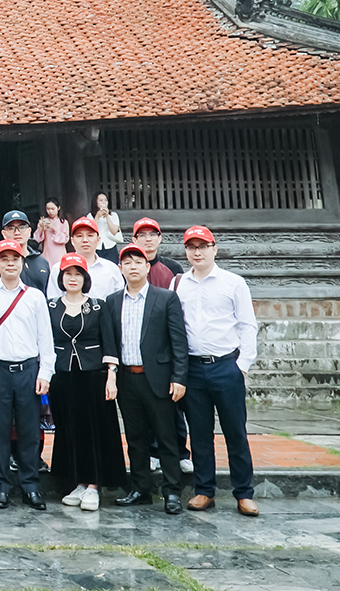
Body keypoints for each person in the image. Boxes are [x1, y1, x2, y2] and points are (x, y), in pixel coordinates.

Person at [176, 225, 260, 517]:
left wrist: (242, 366)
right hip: (193, 368)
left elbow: (247, 324)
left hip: (226, 366)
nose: (197, 252)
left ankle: (244, 493)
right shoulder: (179, 284)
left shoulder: (233, 282)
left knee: (235, 432)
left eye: (202, 246)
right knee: (199, 434)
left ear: (214, 249)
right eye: (191, 247)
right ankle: (204, 490)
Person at [105, 243, 188, 515]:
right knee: (135, 437)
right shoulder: (112, 301)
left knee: (166, 437)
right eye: (127, 262)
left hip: (159, 379)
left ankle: (172, 491)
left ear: (147, 267)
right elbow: (111, 343)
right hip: (128, 379)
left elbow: (178, 342)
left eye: (138, 262)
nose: (133, 267)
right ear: (120, 268)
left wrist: (179, 377)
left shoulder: (165, 298)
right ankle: (140, 488)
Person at [0, 239, 53, 511]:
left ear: (23, 262)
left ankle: (30, 486)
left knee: (29, 430)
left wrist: (45, 372)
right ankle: (1, 486)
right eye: (4, 259)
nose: (10, 264)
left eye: (15, 259)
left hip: (28, 370)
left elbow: (45, 337)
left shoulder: (34, 296)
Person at [46, 253, 124, 512]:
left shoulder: (99, 306)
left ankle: (93, 485)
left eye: (78, 274)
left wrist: (111, 374)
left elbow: (109, 342)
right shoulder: (51, 306)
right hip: (62, 375)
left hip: (93, 375)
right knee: (69, 428)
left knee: (95, 429)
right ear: (61, 278)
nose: (73, 278)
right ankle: (77, 482)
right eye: (68, 274)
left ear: (85, 278)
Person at [55, 217, 125, 300]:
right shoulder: (59, 268)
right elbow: (54, 300)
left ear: (98, 240)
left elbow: (119, 300)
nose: (85, 240)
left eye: (90, 235)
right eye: (79, 236)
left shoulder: (112, 269)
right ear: (72, 241)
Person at [0, 211, 52, 293]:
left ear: (29, 231)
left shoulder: (42, 261)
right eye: (11, 228)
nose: (17, 232)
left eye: (22, 227)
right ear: (3, 233)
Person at [131, 218, 182, 287]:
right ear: (134, 240)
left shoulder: (173, 268)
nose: (148, 239)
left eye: (153, 234)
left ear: (159, 238)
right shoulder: (128, 268)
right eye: (142, 235)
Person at [34, 200, 70, 268]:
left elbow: (65, 239)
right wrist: (40, 228)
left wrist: (54, 228)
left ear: (58, 208)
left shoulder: (63, 222)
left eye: (52, 209)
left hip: (59, 253)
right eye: (48, 209)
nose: (50, 211)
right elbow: (37, 239)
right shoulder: (45, 221)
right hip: (47, 253)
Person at [93, 192, 122, 263]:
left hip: (110, 245)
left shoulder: (113, 215)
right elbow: (92, 230)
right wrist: (97, 217)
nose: (104, 202)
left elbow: (114, 231)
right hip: (96, 247)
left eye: (105, 200)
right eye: (101, 200)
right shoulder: (90, 215)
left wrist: (107, 216)